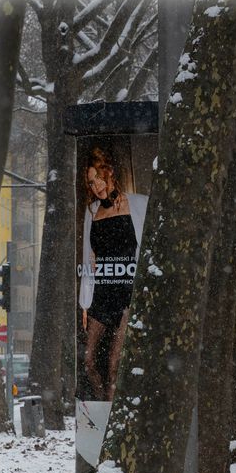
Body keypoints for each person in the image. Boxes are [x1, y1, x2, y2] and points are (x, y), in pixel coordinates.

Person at [79, 147, 149, 401]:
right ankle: (103, 412)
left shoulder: (139, 204)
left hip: (128, 293)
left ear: (110, 173)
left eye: (98, 177)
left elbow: (148, 251)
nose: (96, 185)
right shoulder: (92, 212)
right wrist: (84, 304)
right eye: (90, 181)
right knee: (88, 363)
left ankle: (112, 426)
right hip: (102, 294)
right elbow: (89, 259)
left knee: (114, 364)